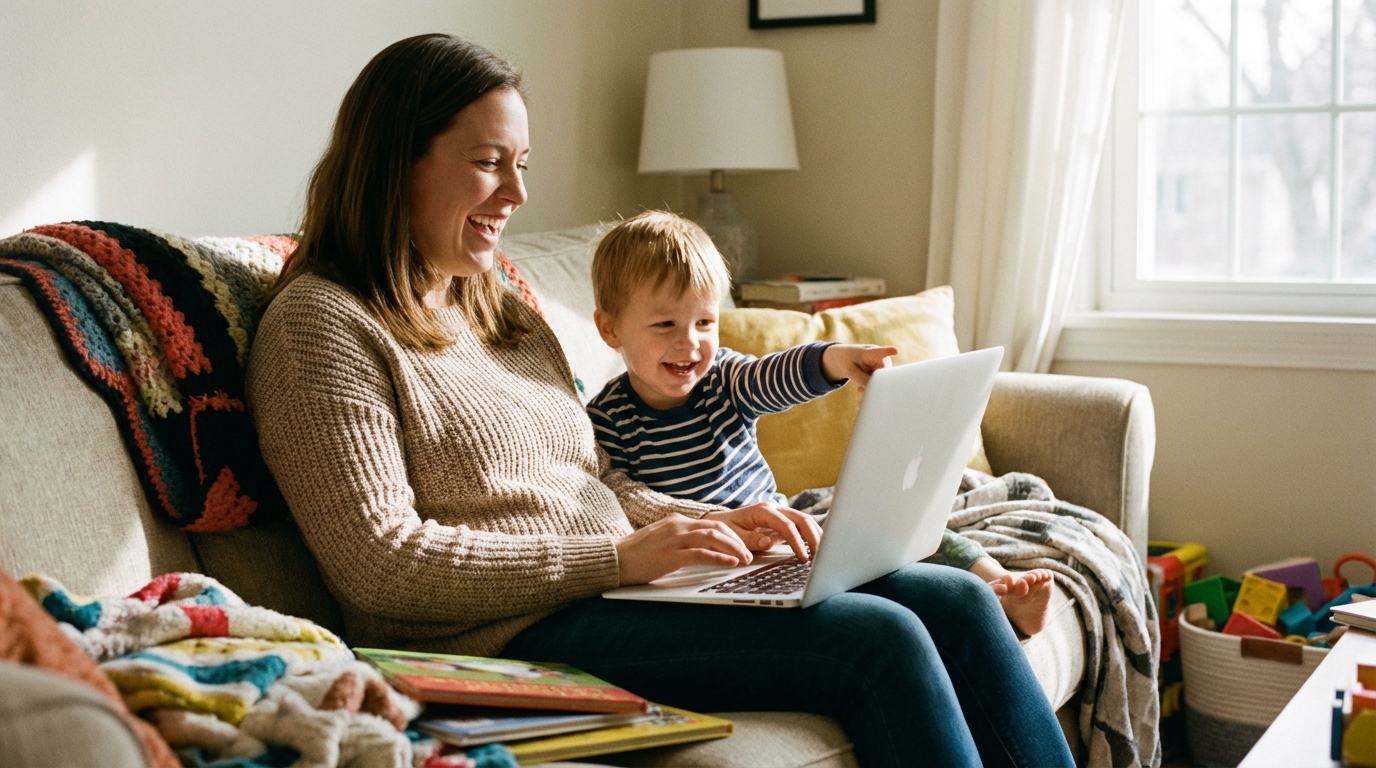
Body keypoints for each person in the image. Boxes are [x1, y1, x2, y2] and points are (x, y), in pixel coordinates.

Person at [247, 33, 1075, 767]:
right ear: (397, 159)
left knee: (959, 598)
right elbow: (383, 567)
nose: (518, 195)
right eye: (488, 162)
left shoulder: (492, 304)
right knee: (879, 641)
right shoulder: (321, 326)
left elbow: (594, 480)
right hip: (507, 633)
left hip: (618, 588)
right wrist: (619, 560)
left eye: (521, 165)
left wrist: (705, 526)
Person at [585, 211, 1056, 636]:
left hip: (784, 537)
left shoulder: (724, 378)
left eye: (705, 323)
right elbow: (623, 501)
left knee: (896, 534)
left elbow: (773, 376)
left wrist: (835, 361)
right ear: (610, 329)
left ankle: (1001, 586)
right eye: (665, 325)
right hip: (702, 571)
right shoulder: (606, 419)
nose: (690, 344)